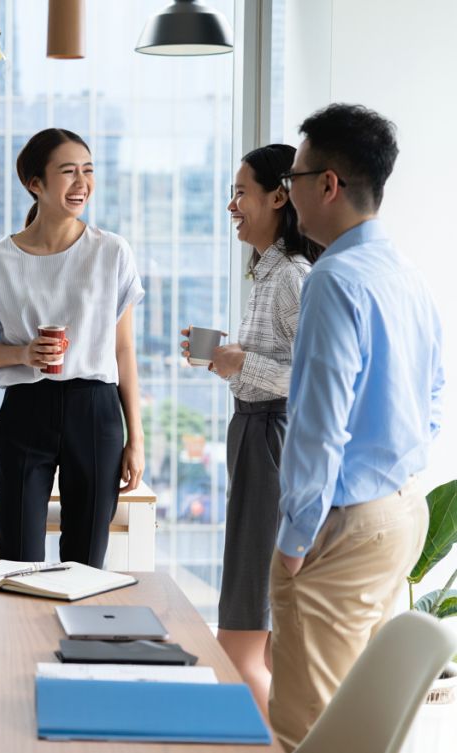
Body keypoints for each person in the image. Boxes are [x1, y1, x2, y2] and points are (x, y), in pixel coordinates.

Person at [270, 103, 442, 750]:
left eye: (292, 179)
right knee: (361, 724)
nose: (288, 194)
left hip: (343, 526)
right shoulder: (403, 272)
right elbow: (433, 395)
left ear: (328, 184)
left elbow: (318, 425)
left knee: (309, 728)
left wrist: (295, 539)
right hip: (400, 511)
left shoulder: (334, 279)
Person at [0, 128, 145, 567]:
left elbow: (123, 351)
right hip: (26, 408)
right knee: (15, 556)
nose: (82, 183)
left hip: (96, 410)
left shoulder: (112, 252)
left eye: (88, 170)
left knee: (86, 559)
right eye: (68, 172)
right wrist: (22, 354)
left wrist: (136, 438)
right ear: (35, 183)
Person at [181, 144, 322, 718]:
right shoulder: (268, 273)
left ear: (279, 197)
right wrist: (231, 361)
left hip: (271, 438)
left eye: (241, 192)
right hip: (257, 433)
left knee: (240, 641)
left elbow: (315, 379)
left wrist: (242, 364)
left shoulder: (292, 276)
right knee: (257, 632)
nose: (231, 205)